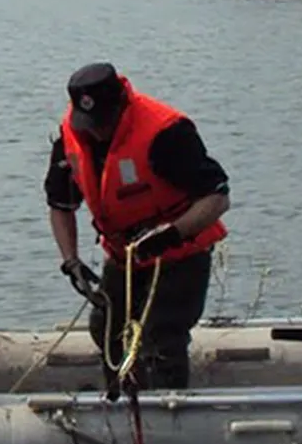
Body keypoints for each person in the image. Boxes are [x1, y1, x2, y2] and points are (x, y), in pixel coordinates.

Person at [44, 62, 231, 400]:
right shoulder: (71, 136)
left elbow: (217, 197)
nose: (97, 132)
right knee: (105, 327)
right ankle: (120, 401)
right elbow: (60, 205)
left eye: (103, 123)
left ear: (120, 106)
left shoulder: (165, 132)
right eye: (89, 124)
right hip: (123, 256)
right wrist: (71, 262)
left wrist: (172, 234)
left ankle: (168, 413)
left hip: (180, 253)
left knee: (160, 333)